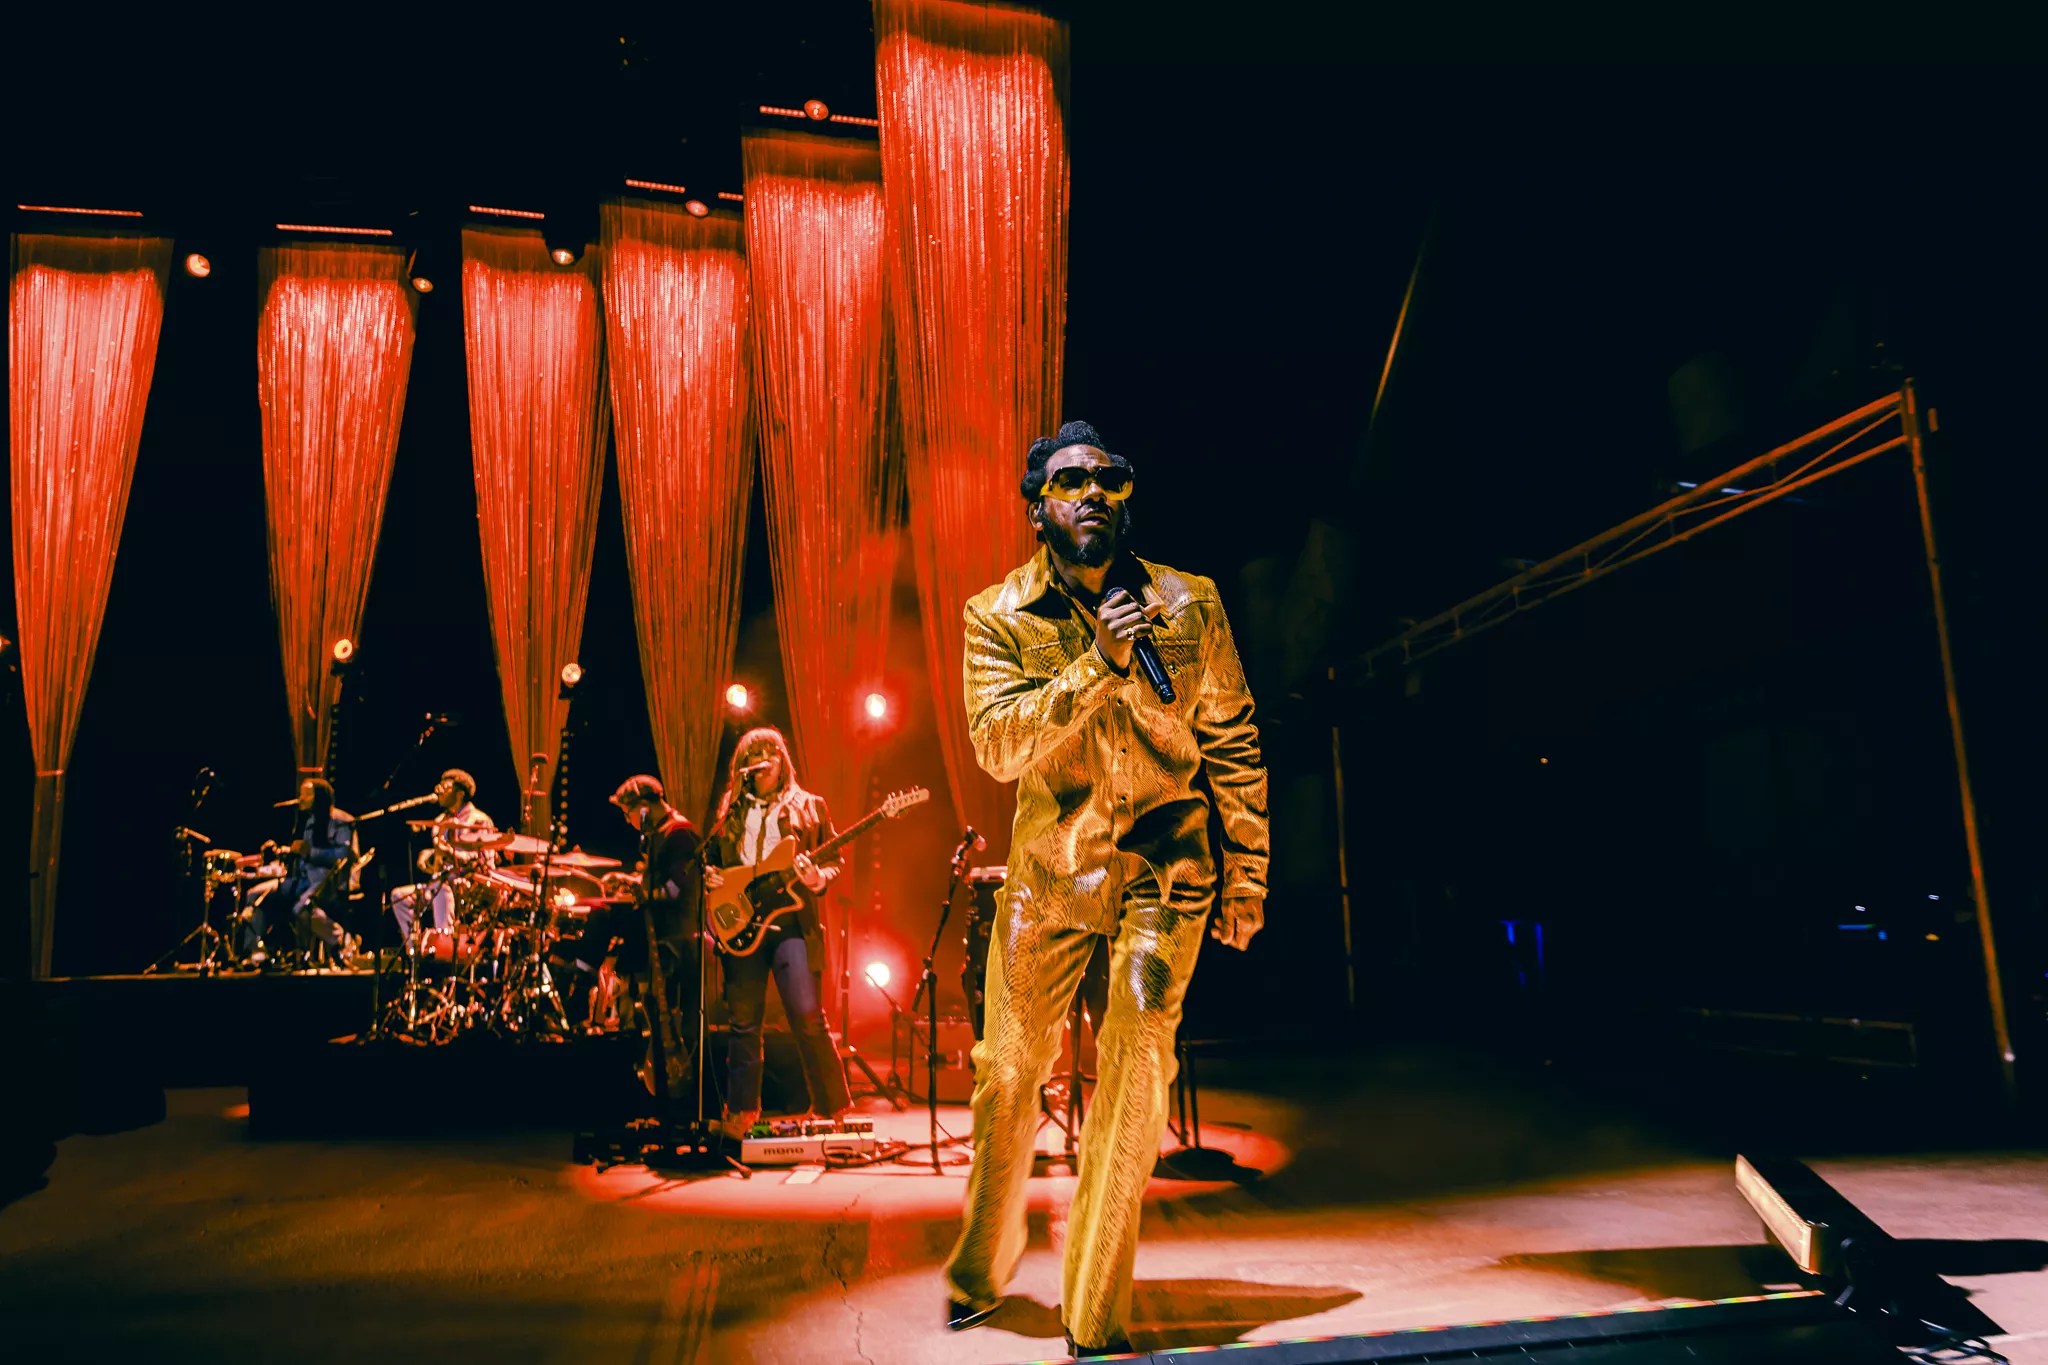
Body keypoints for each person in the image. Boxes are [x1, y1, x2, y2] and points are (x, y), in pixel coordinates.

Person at [943, 420, 1270, 1357]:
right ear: (1038, 505)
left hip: (1166, 872)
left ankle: (1094, 1316)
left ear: (1127, 497)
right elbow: (999, 746)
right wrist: (1100, 666)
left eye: (1110, 479)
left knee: (1135, 1069)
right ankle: (980, 1264)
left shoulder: (1187, 602)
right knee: (1008, 1072)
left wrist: (1246, 868)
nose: (1093, 492)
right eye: (1071, 480)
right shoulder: (996, 613)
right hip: (1049, 877)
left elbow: (1234, 740)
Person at [701, 727, 854, 1139]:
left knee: (807, 1016)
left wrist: (818, 876)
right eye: (754, 752)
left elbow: (835, 859)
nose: (763, 757)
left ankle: (834, 1108)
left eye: (770, 751)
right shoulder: (730, 811)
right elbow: (712, 862)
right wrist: (712, 878)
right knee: (743, 1022)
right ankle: (742, 1113)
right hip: (742, 923)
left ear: (782, 759)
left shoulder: (809, 806)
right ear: (742, 766)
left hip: (791, 922)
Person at [579, 775, 703, 1047]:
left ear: (645, 806)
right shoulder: (657, 834)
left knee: (602, 912)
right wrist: (629, 880)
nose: (628, 821)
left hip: (672, 927)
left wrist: (643, 894)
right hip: (656, 918)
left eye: (629, 813)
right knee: (603, 910)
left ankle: (579, 986)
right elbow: (656, 881)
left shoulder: (679, 834)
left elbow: (674, 890)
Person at [240, 776, 356, 968]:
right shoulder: (309, 820)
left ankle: (342, 939)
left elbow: (343, 855)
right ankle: (255, 952)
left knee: (303, 909)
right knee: (255, 895)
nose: (300, 798)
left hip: (326, 881)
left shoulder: (340, 821)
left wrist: (310, 852)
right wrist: (288, 852)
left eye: (306, 794)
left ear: (318, 797)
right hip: (301, 880)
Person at [389, 769, 496, 950]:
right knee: (399, 897)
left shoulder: (478, 820)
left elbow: (485, 861)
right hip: (442, 883)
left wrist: (446, 852)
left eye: (446, 787)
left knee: (442, 890)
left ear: (460, 794)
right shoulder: (440, 822)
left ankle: (444, 949)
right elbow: (439, 865)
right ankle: (416, 952)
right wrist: (430, 856)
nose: (439, 791)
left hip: (469, 886)